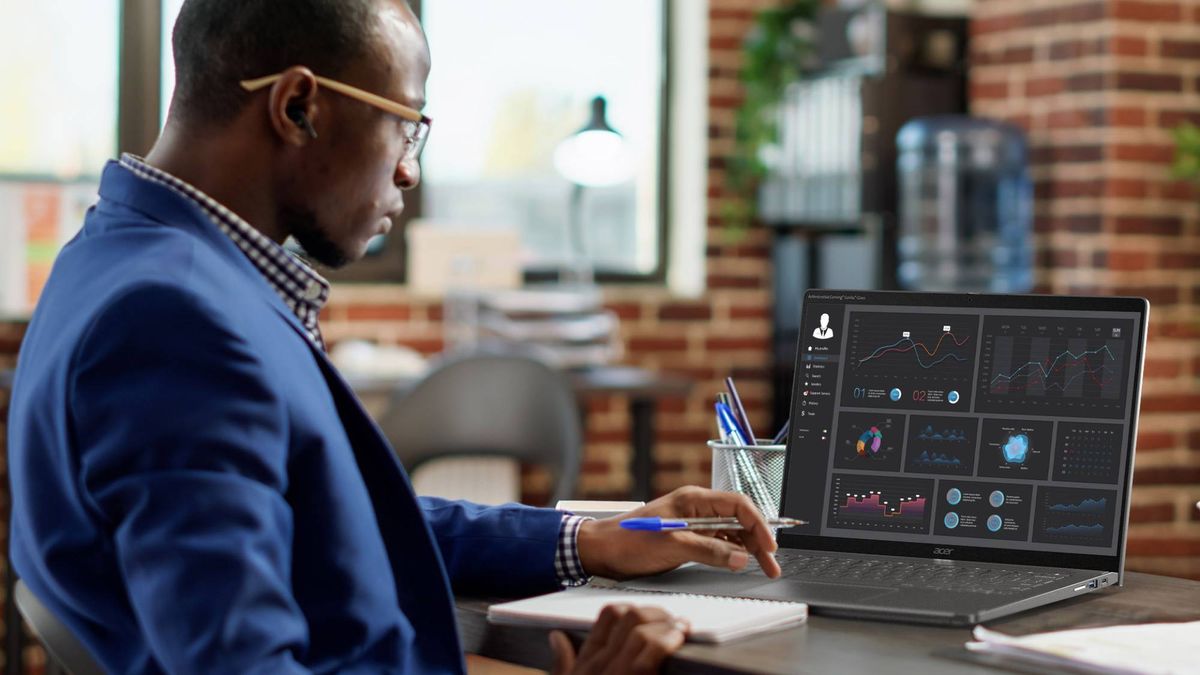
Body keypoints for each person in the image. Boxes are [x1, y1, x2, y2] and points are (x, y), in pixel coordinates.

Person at [6, 1, 781, 673]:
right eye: (406, 125)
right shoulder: (176, 323)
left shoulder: (126, 253)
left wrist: (596, 536)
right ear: (299, 106)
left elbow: (340, 522)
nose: (409, 173)